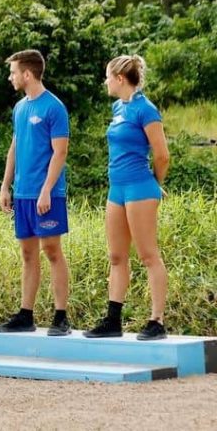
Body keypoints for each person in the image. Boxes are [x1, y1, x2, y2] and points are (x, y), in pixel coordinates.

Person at [86, 55, 170, 341]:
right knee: (116, 256)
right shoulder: (118, 107)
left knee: (148, 255)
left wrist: (155, 184)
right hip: (117, 189)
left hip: (139, 188)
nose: (105, 82)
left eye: (108, 77)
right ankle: (113, 320)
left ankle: (156, 321)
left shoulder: (146, 110)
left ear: (120, 78)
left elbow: (162, 155)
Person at [0, 50, 72, 336]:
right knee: (28, 254)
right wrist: (5, 186)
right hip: (23, 193)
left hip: (48, 194)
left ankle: (61, 316)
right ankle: (25, 314)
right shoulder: (19, 108)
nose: (10, 77)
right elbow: (14, 147)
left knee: (51, 250)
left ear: (27, 74)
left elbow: (60, 152)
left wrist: (47, 190)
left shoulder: (54, 107)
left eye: (13, 72)